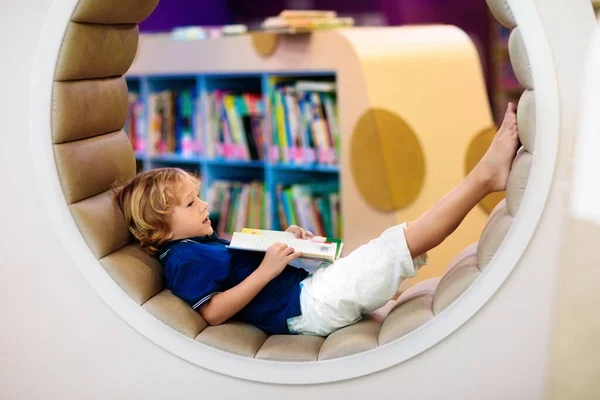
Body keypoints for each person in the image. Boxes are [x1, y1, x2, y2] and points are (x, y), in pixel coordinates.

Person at [112, 103, 520, 337]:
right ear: (158, 229)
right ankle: (485, 177)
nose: (204, 206)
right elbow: (212, 313)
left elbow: (238, 266)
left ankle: (485, 176)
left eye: (198, 197)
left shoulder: (197, 244)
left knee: (391, 246)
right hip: (307, 307)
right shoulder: (182, 260)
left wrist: (286, 242)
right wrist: (268, 271)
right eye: (190, 205)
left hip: (309, 292)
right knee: (402, 242)